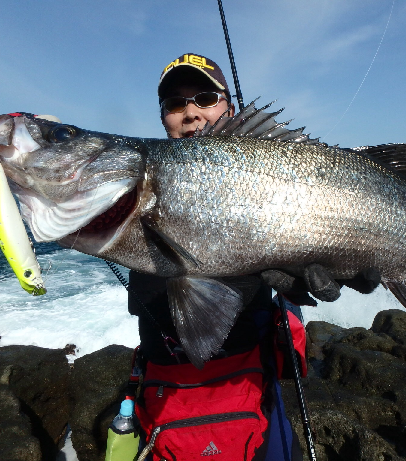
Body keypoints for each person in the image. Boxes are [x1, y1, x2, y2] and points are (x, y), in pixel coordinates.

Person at [127, 53, 310, 461]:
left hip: (250, 386)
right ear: (163, 119)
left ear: (230, 107)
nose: (190, 113)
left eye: (206, 98)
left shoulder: (273, 177)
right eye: (175, 104)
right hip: (167, 393)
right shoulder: (141, 185)